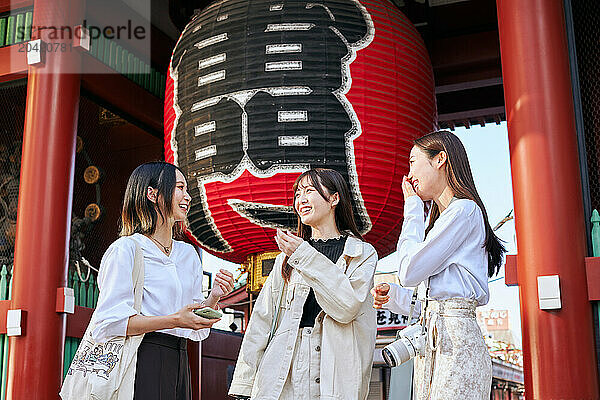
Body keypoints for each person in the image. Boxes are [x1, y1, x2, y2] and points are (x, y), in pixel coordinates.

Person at [371, 130, 505, 399]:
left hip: (455, 344)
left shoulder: (464, 210)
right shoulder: (446, 219)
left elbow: (408, 271)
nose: (409, 173)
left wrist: (411, 208)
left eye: (412, 161)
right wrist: (394, 296)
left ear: (440, 159)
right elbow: (432, 295)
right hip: (436, 340)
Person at [229, 168, 378, 400]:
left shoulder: (361, 253)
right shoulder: (286, 258)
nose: (301, 199)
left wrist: (304, 255)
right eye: (298, 194)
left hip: (335, 366)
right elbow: (261, 321)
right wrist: (243, 385)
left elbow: (347, 307)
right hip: (285, 367)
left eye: (309, 191)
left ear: (334, 198)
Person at [91, 161, 235, 400]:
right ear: (152, 194)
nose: (187, 197)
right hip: (141, 357)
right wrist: (174, 319)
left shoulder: (188, 254)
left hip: (179, 359)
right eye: (180, 187)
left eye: (187, 190)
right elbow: (110, 322)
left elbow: (192, 322)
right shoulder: (126, 249)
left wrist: (213, 298)